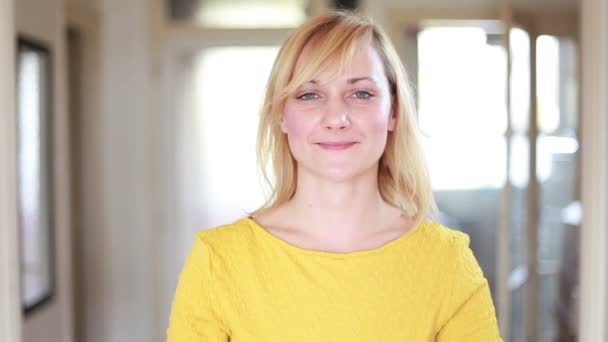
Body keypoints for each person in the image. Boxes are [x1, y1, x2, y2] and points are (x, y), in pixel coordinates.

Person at [166, 11, 502, 341]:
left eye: (361, 94)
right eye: (309, 95)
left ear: (394, 112)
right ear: (282, 115)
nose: (336, 117)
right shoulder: (219, 260)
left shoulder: (447, 262)